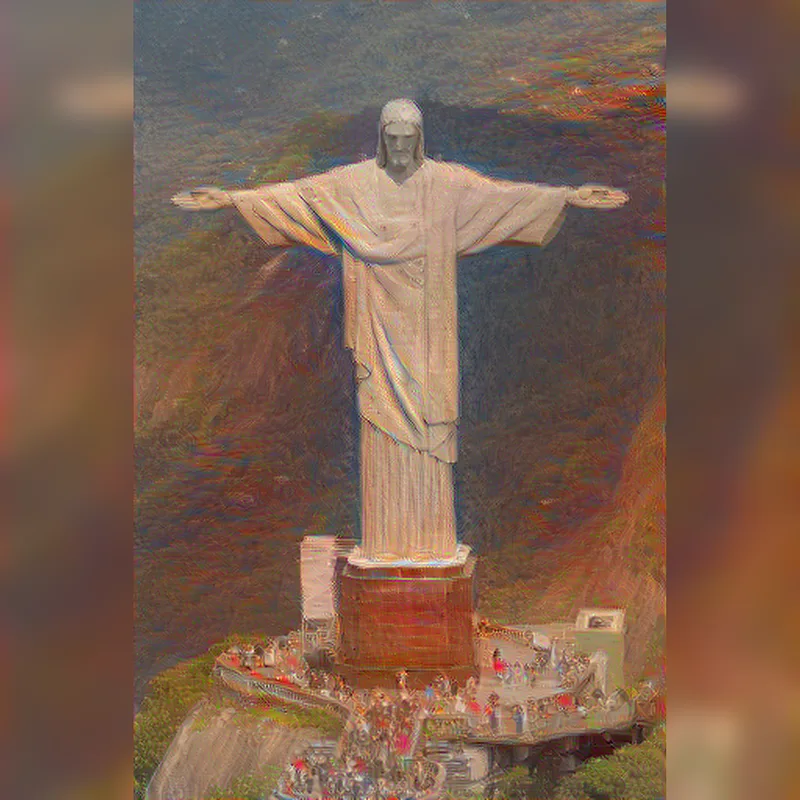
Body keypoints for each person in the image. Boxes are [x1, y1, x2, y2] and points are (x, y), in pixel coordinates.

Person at [173, 99, 628, 564]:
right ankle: (387, 542)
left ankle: (430, 541)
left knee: (428, 424)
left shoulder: (446, 185)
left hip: (428, 333)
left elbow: (503, 198)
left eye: (409, 141)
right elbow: (300, 197)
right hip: (378, 328)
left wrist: (568, 196)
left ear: (420, 140)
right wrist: (232, 199)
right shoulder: (353, 186)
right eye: (393, 140)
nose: (401, 149)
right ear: (382, 140)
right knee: (381, 421)